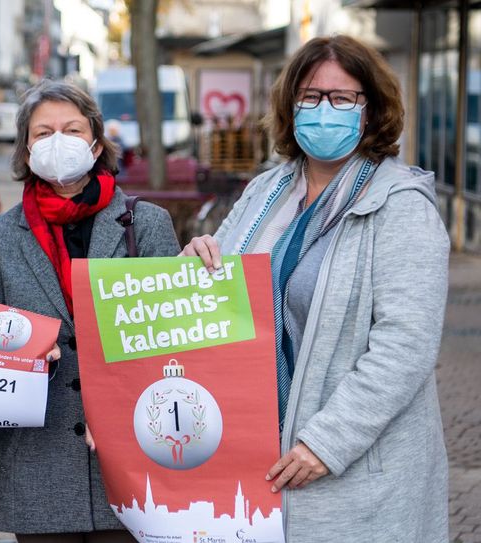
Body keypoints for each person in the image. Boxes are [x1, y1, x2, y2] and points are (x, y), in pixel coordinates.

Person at [181, 35, 449, 541]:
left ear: (369, 111)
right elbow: (223, 295)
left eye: (342, 98)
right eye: (309, 96)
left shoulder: (401, 206)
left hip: (352, 464)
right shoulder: (266, 190)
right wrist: (195, 264)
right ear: (290, 105)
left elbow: (404, 347)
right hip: (258, 447)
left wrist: (327, 443)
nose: (324, 109)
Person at [0, 80, 180, 542]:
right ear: (25, 150)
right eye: (43, 134)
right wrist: (19, 358)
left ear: (97, 143)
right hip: (35, 458)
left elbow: (175, 341)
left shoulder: (145, 225)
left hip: (132, 454)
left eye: (72, 129)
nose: (58, 142)